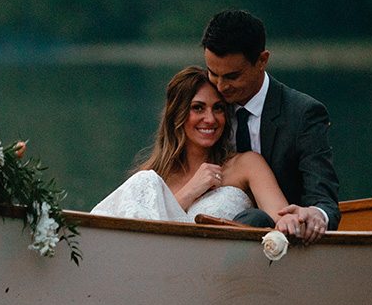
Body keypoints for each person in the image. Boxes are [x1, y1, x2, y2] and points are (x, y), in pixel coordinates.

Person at [202, 9, 340, 243]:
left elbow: (324, 200)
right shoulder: (204, 104)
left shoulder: (303, 113)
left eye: (232, 76)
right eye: (213, 73)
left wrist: (314, 214)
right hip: (205, 236)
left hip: (284, 244)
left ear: (262, 61)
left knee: (256, 218)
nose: (221, 86)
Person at [91, 66, 292, 224]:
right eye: (198, 108)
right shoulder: (153, 177)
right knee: (143, 179)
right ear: (177, 114)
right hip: (159, 271)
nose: (210, 119)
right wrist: (191, 191)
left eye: (218, 108)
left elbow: (282, 219)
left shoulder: (247, 165)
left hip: (228, 270)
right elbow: (135, 238)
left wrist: (304, 218)